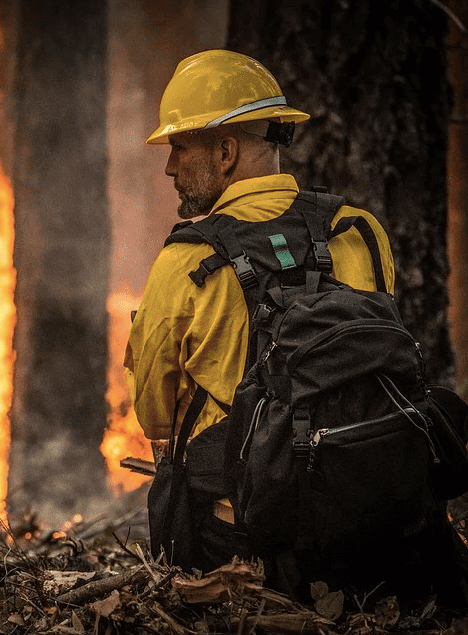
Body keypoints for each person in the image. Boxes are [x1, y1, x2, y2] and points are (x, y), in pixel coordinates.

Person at [123, 50, 396, 573]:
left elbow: (156, 415)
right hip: (369, 518)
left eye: (180, 146)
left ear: (226, 150)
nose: (170, 166)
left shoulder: (187, 260)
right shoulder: (360, 230)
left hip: (245, 540)